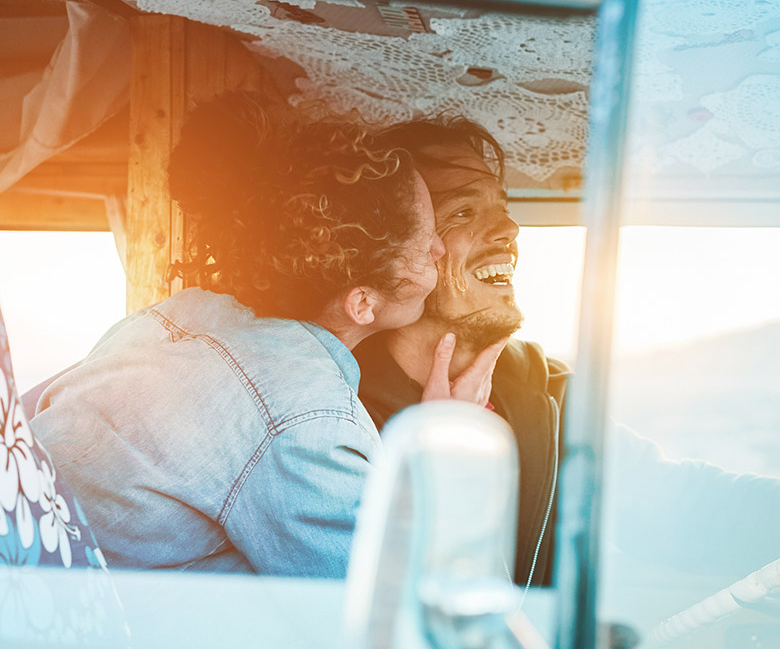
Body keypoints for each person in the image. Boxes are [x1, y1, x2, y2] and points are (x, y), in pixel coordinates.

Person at [354, 117, 780, 588]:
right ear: (399, 250)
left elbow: (705, 513)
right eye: (465, 210)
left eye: (504, 204)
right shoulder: (338, 410)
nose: (510, 229)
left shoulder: (545, 399)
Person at [30, 93, 504, 577]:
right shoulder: (306, 422)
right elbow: (392, 610)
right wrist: (445, 453)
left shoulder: (177, 315)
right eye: (427, 244)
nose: (441, 249)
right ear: (362, 303)